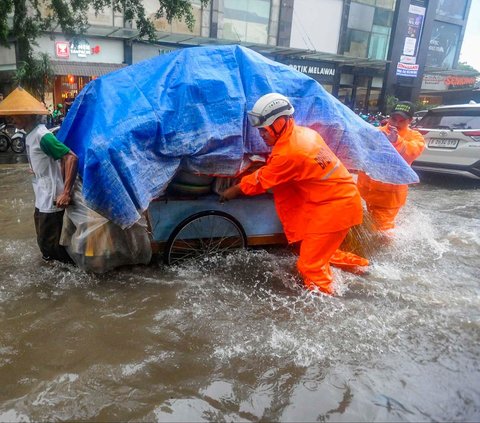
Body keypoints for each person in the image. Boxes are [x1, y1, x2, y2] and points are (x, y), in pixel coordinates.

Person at [221, 93, 368, 295]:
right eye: (260, 130)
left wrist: (234, 190)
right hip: (336, 201)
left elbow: (263, 179)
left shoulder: (291, 152)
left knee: (309, 266)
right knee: (322, 252)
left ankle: (323, 305)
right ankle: (363, 269)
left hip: (335, 207)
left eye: (264, 130)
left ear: (280, 122)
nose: (261, 135)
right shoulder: (304, 134)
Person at [0, 87, 78, 263]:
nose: (11, 118)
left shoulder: (43, 136)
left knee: (50, 246)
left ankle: (67, 280)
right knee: (46, 243)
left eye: (16, 114)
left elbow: (70, 157)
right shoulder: (30, 135)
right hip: (41, 196)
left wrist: (65, 192)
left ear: (28, 116)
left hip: (52, 198)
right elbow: (47, 160)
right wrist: (36, 168)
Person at [357, 101, 425, 231]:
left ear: (410, 121)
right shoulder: (376, 131)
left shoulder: (415, 137)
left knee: (383, 230)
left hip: (389, 195)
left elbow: (411, 153)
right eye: (394, 119)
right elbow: (360, 152)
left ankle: (387, 250)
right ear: (389, 117)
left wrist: (396, 141)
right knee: (368, 224)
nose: (396, 124)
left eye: (401, 121)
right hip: (366, 191)